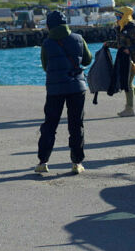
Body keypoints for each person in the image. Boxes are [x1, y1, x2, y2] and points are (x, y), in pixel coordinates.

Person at [36, 11, 92, 175]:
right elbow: (87, 60)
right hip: (77, 87)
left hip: (55, 89)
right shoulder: (78, 39)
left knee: (50, 125)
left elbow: (46, 66)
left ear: (49, 25)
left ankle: (43, 162)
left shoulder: (47, 43)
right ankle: (76, 162)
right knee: (76, 125)